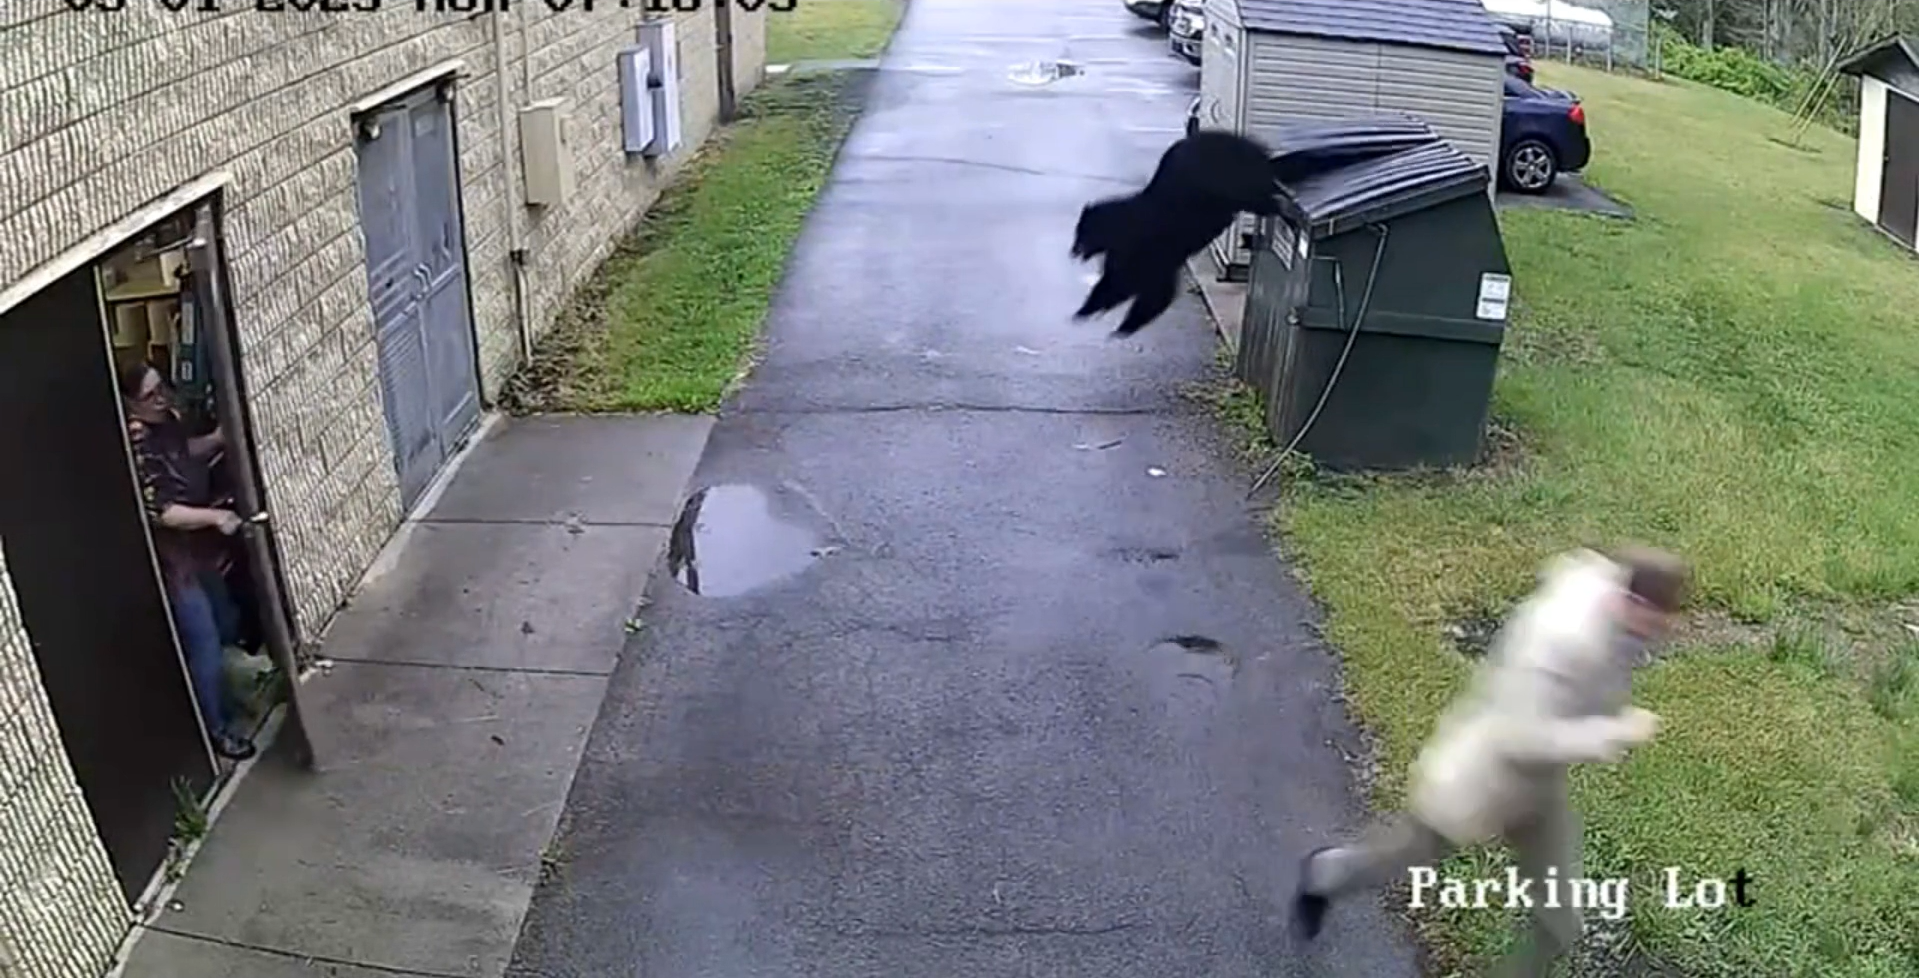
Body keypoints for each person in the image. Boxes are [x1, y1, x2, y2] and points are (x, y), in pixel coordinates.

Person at [1289, 545, 1688, 976]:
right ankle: (1327, 873)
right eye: (1658, 619)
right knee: (1405, 855)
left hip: (1538, 787)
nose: (1664, 630)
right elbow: (1521, 734)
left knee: (1558, 922)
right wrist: (1612, 734)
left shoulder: (1617, 615)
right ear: (1634, 602)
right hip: (1480, 779)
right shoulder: (1559, 639)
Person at [117, 361, 257, 761]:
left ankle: (233, 694)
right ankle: (217, 729)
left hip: (196, 551)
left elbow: (182, 453)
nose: (162, 398)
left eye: (162, 387)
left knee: (226, 619)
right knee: (205, 642)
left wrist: (215, 439)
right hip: (174, 560)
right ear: (129, 404)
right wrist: (216, 517)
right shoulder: (137, 441)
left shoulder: (164, 420)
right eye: (150, 396)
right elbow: (162, 511)